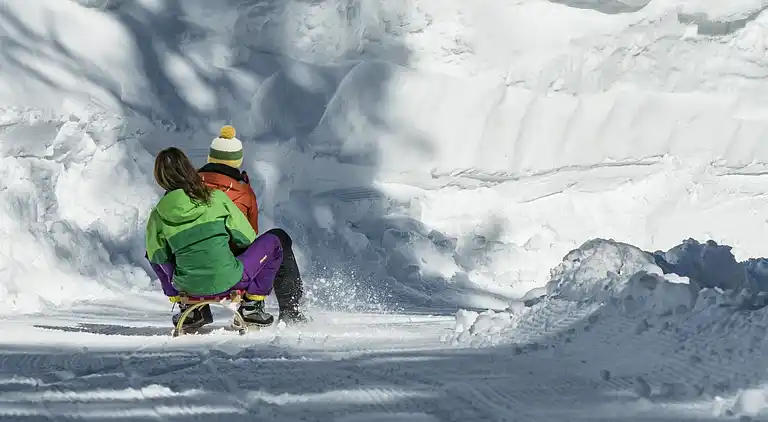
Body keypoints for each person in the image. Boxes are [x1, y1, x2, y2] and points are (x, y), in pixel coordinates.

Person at [145, 147, 301, 329]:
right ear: (189, 169)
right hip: (230, 279)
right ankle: (252, 304)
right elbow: (247, 238)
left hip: (186, 285)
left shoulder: (157, 214)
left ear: (160, 178)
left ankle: (188, 307)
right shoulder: (215, 198)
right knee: (275, 241)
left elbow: (157, 257)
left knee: (153, 250)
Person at [198, 125, 307, 324]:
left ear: (210, 158)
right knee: (278, 240)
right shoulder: (242, 191)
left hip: (188, 273)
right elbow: (247, 235)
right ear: (236, 160)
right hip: (230, 272)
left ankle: (197, 310)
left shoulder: (186, 188)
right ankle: (290, 310)